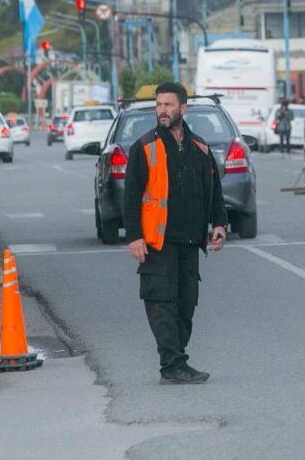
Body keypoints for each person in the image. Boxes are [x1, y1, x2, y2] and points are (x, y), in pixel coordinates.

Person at [123, 82, 227, 385]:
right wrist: (134, 236)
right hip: (158, 242)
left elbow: (214, 191)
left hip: (191, 241)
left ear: (183, 108)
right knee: (161, 302)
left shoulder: (200, 147)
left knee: (185, 304)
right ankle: (172, 364)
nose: (162, 111)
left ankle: (175, 360)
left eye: (168, 105)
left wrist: (218, 223)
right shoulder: (145, 148)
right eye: (158, 105)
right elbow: (131, 197)